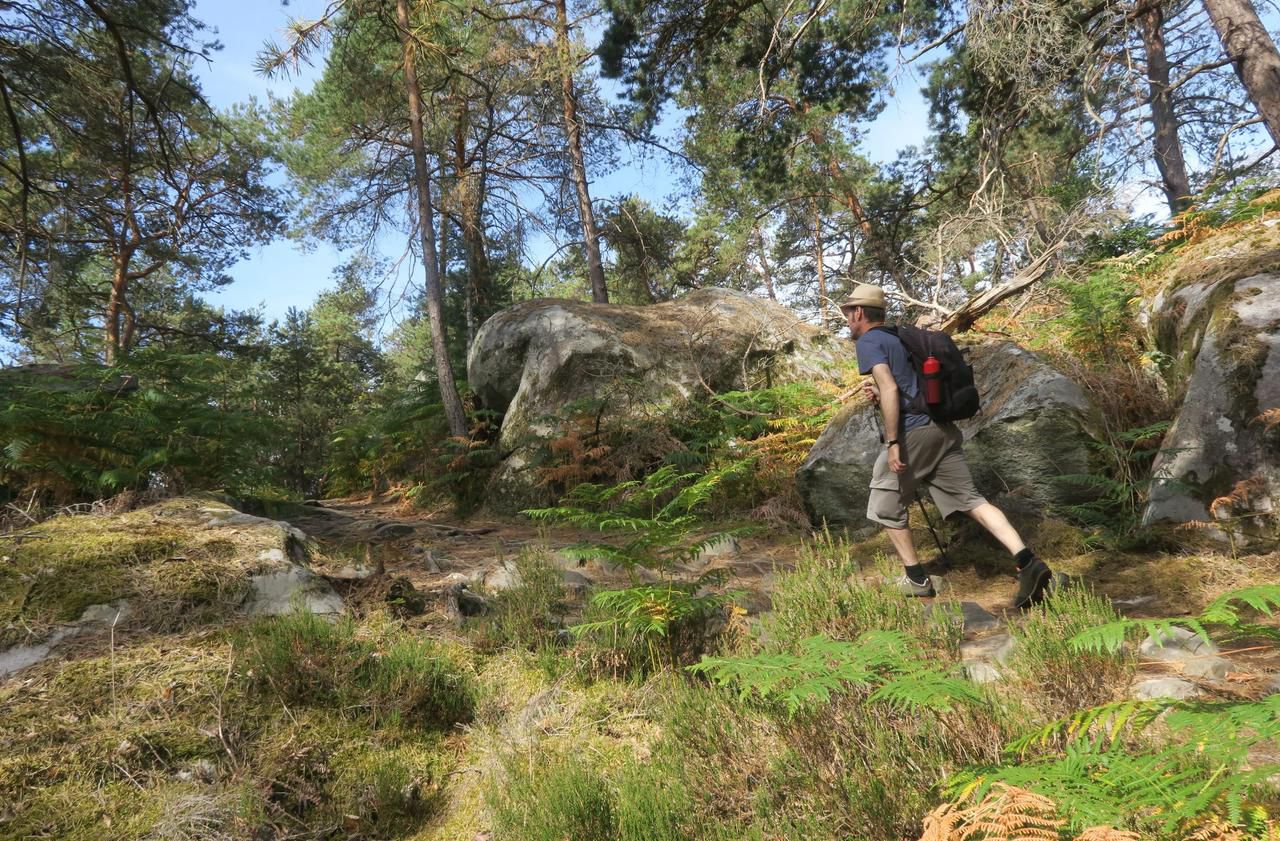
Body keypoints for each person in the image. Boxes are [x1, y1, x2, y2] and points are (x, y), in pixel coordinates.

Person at [840, 283, 1054, 608]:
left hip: (915, 433)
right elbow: (904, 387)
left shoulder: (870, 341)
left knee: (884, 505)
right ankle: (1028, 562)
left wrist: (895, 442)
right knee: (971, 500)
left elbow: (892, 389)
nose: (847, 321)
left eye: (847, 314)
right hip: (943, 429)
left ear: (858, 313)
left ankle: (916, 579)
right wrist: (881, 394)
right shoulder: (899, 337)